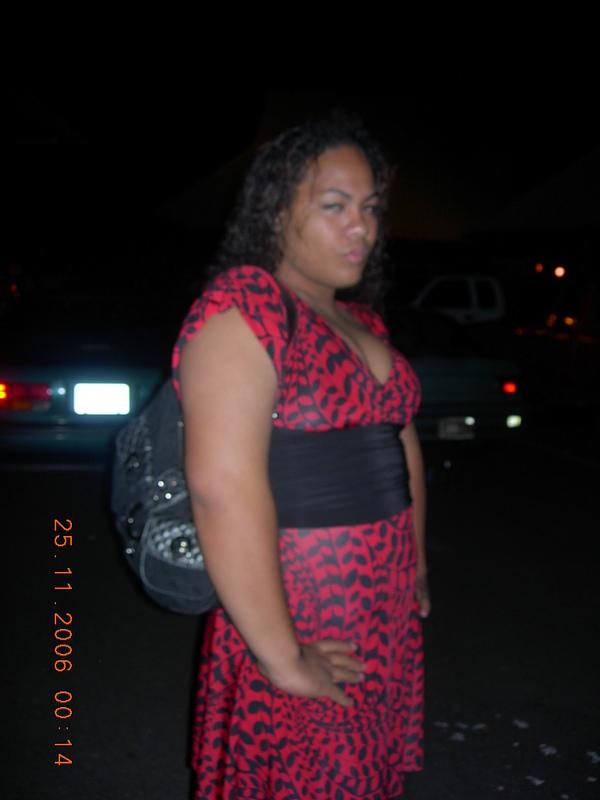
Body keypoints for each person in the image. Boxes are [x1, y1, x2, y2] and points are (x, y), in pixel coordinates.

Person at [171, 111, 430, 800]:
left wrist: (415, 562)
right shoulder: (247, 307)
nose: (362, 228)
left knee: (364, 775)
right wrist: (283, 658)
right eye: (335, 206)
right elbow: (220, 486)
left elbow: (398, 444)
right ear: (276, 212)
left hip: (383, 608)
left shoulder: (360, 319)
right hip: (303, 607)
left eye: (370, 208)